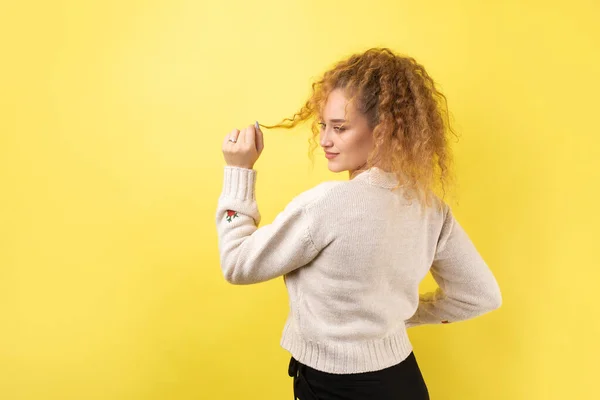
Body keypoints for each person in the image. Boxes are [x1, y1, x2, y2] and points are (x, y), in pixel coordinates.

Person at [215, 47, 502, 400]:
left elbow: (237, 264)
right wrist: (400, 315)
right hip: (404, 382)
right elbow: (480, 296)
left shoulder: (325, 205)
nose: (324, 140)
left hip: (332, 388)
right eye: (323, 125)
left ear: (384, 131)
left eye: (340, 127)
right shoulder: (431, 208)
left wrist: (238, 171)